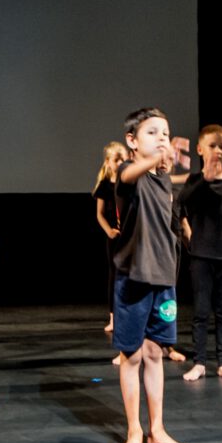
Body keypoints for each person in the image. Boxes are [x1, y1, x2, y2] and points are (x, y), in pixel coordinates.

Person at [111, 108, 190, 443]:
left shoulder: (163, 181)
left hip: (163, 279)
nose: (161, 138)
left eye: (165, 133)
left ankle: (157, 429)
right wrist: (156, 159)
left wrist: (171, 163)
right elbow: (129, 174)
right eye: (152, 132)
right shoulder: (129, 174)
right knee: (132, 356)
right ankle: (134, 431)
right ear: (132, 141)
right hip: (134, 278)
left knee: (156, 353)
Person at [178, 124, 222, 382]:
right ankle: (199, 362)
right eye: (212, 146)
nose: (217, 150)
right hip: (202, 255)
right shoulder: (194, 182)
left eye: (221, 146)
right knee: (201, 312)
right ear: (200, 149)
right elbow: (182, 203)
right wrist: (204, 179)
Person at [93, 142, 128, 333]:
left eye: (123, 159)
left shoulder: (129, 183)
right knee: (114, 276)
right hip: (114, 238)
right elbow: (99, 214)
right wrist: (109, 231)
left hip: (130, 236)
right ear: (108, 162)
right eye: (117, 159)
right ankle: (114, 317)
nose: (121, 163)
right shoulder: (105, 186)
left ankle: (130, 315)